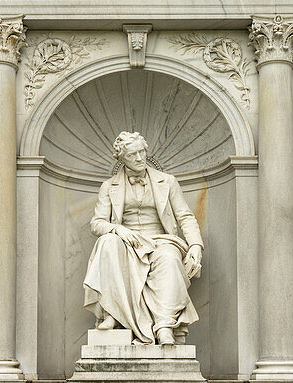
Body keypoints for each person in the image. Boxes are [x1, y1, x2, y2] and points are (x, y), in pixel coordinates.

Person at [82, 131, 203, 345]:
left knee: (169, 258)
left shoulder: (168, 182)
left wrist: (195, 245)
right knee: (107, 242)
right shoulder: (109, 186)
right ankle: (113, 313)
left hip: (160, 241)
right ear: (122, 159)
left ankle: (164, 326)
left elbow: (185, 216)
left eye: (141, 152)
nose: (139, 158)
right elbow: (97, 223)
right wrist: (118, 230)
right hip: (127, 243)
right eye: (132, 155)